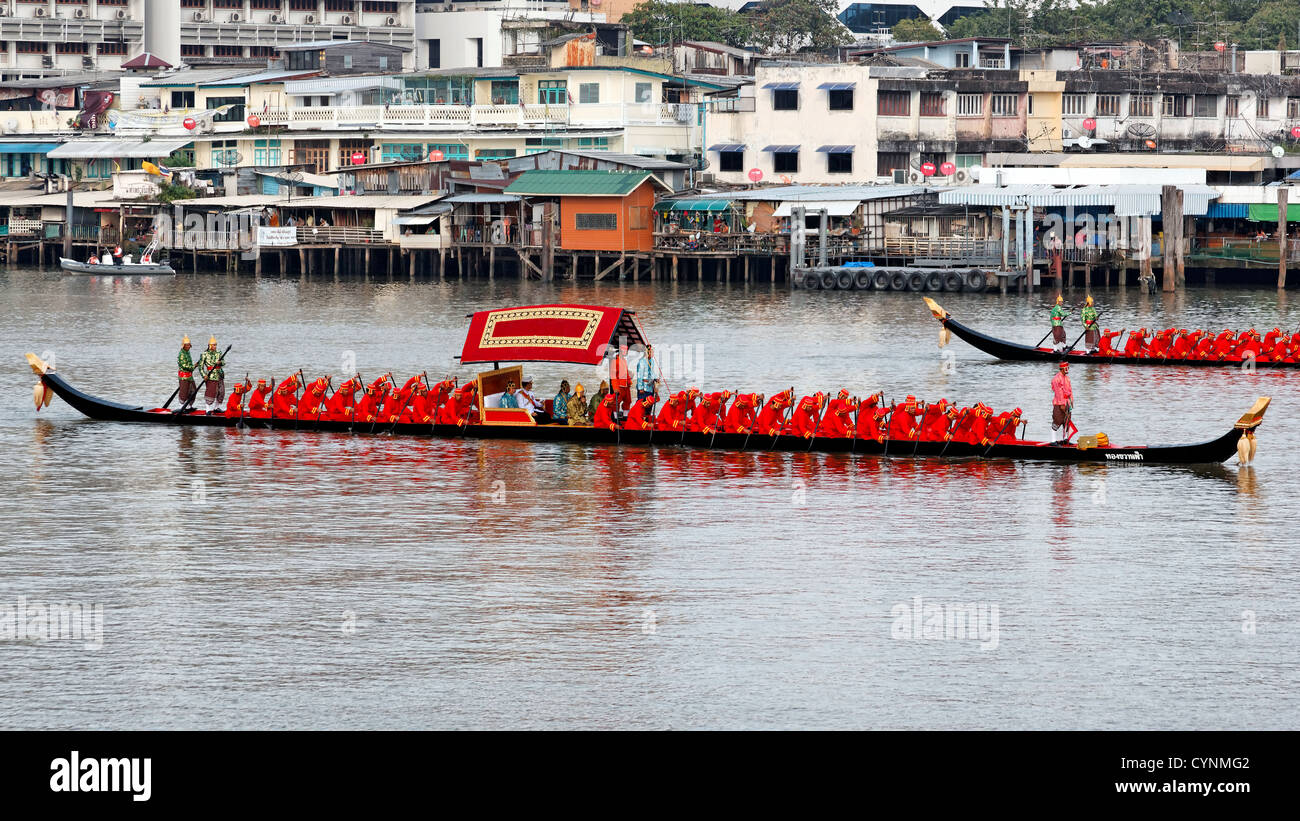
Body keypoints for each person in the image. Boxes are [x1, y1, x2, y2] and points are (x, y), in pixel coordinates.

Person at [197, 336, 225, 414]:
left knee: (221, 392)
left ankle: (217, 407)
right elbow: (200, 366)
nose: (215, 346)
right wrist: (204, 375)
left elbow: (223, 362)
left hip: (220, 374)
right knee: (211, 392)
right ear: (209, 345)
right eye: (214, 345)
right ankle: (208, 409)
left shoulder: (219, 353)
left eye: (216, 345)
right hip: (211, 376)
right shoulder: (204, 354)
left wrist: (220, 363)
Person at [1051, 362, 1076, 444]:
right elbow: (1058, 393)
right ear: (1062, 369)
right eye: (1066, 368)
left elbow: (1070, 390)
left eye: (1068, 367)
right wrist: (1062, 404)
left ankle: (1065, 439)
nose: (1068, 369)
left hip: (1067, 402)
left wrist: (1071, 401)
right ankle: (1053, 440)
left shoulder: (1067, 378)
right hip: (1059, 403)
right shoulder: (1056, 379)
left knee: (1067, 421)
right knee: (1057, 420)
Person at [609, 345, 631, 418]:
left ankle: (625, 417)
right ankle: (615, 417)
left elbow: (626, 373)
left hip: (626, 385)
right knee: (616, 402)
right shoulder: (615, 361)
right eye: (625, 351)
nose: (626, 352)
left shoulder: (624, 360)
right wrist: (615, 387)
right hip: (619, 385)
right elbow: (613, 375)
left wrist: (629, 382)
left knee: (628, 401)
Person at [176, 335, 196, 408]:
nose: (188, 346)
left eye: (189, 345)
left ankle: (188, 406)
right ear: (183, 346)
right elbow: (184, 366)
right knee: (184, 392)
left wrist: (193, 366)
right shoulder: (182, 354)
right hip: (184, 377)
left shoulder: (188, 352)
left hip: (190, 376)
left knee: (193, 390)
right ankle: (181, 406)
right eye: (186, 345)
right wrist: (193, 366)